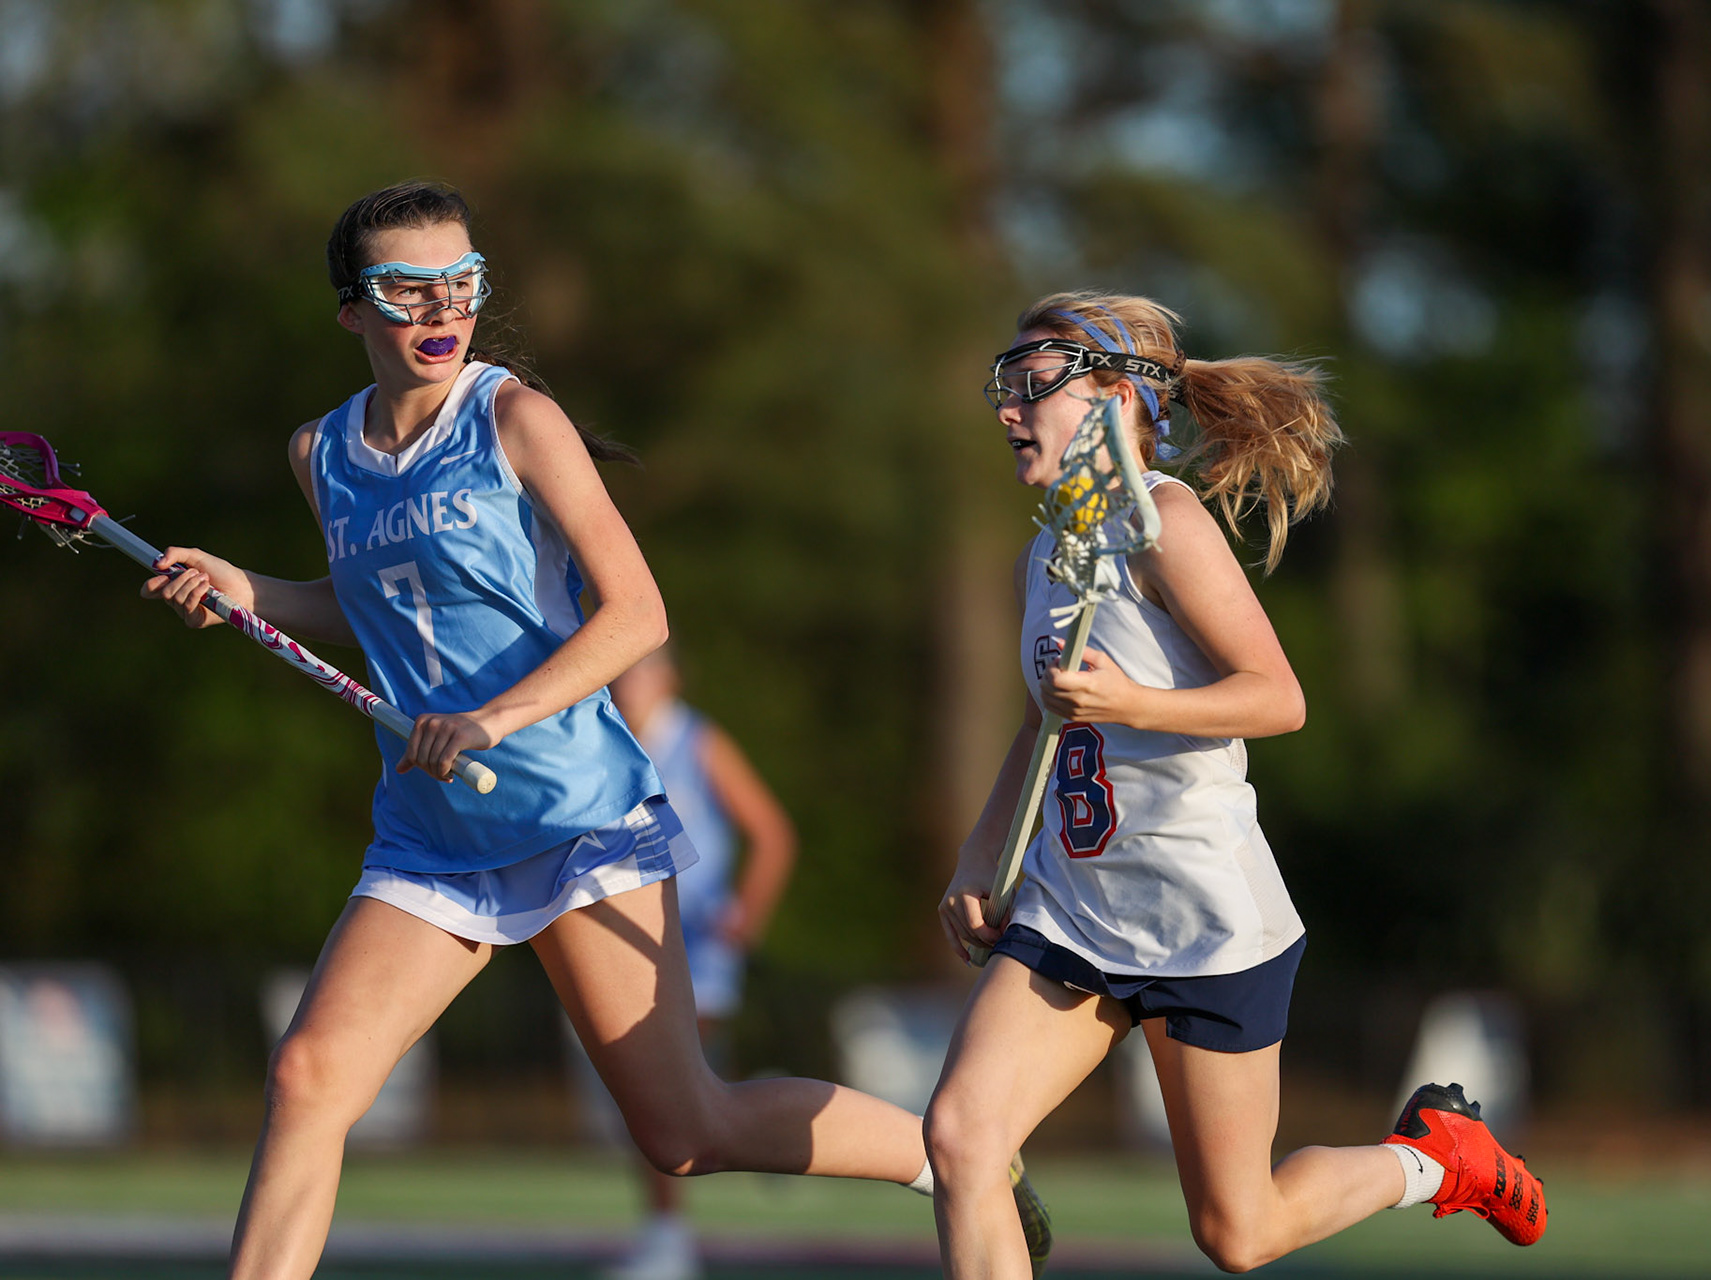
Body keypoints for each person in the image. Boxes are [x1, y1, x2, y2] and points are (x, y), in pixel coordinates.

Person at [142, 180, 1045, 1280]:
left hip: (576, 811)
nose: (440, 308)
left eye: (461, 282)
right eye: (405, 287)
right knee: (309, 1078)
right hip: (433, 831)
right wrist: (249, 589)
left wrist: (492, 716)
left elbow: (638, 613)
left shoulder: (514, 418)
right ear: (351, 310)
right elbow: (369, 601)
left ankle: (959, 1153)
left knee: (687, 1131)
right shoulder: (320, 452)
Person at [928, 292, 1547, 1277]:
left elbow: (1278, 696)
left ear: (1116, 397)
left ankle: (1436, 1156)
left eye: (1032, 381)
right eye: (1004, 384)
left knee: (1239, 1231)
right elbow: (1046, 719)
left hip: (1202, 917)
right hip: (1076, 907)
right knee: (962, 1136)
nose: (1008, 409)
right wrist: (981, 848)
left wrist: (1131, 699)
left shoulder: (1166, 521)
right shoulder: (1041, 558)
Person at [598, 644, 798, 1280]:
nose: (630, 682)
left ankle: (669, 1239)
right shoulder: (603, 739)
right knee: (671, 1092)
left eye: (643, 669)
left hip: (698, 940)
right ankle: (783, 1128)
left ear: (670, 675)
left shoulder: (697, 740)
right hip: (633, 937)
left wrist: (748, 914)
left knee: (663, 1088)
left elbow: (772, 832)